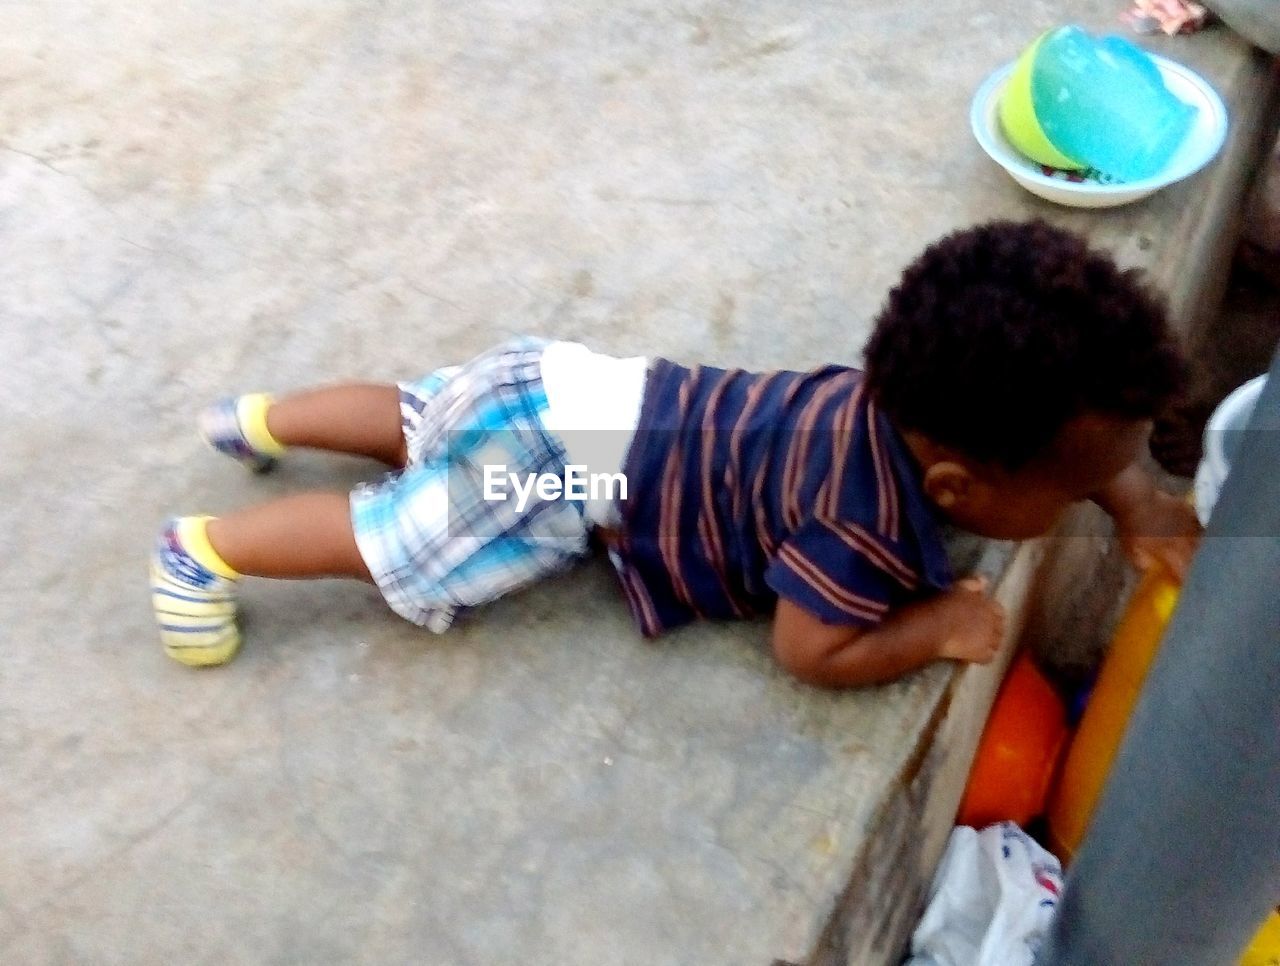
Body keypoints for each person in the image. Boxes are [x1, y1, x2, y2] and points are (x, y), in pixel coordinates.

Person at [151, 220, 1199, 687]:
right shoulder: (862, 527)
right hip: (558, 473)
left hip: (563, 385)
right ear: (954, 488)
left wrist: (1130, 496)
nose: (1082, 500)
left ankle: (263, 420)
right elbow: (808, 651)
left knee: (419, 415)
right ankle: (203, 553)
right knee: (390, 537)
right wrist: (929, 628)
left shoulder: (892, 393)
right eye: (1069, 493)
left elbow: (1072, 429)